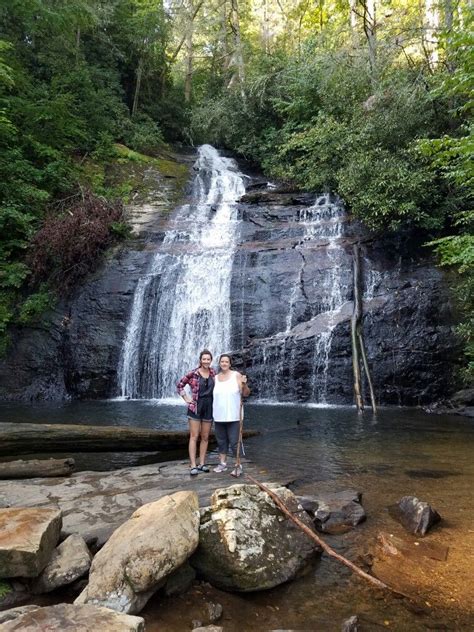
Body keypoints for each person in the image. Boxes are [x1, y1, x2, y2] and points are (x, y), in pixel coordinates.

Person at [177, 349, 215, 476]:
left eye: (208, 359)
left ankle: (202, 463)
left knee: (205, 437)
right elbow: (180, 385)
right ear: (200, 360)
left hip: (209, 406)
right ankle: (193, 465)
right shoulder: (193, 373)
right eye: (204, 359)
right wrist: (187, 399)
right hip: (196, 407)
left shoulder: (213, 373)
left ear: (211, 360)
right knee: (194, 436)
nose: (206, 361)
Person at [212, 353, 250, 476]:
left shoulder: (236, 375)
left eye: (226, 362)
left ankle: (238, 465)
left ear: (230, 364)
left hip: (234, 415)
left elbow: (245, 393)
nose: (224, 363)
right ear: (219, 363)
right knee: (221, 441)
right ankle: (222, 464)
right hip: (219, 415)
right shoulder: (215, 378)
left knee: (234, 442)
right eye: (222, 361)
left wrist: (244, 384)